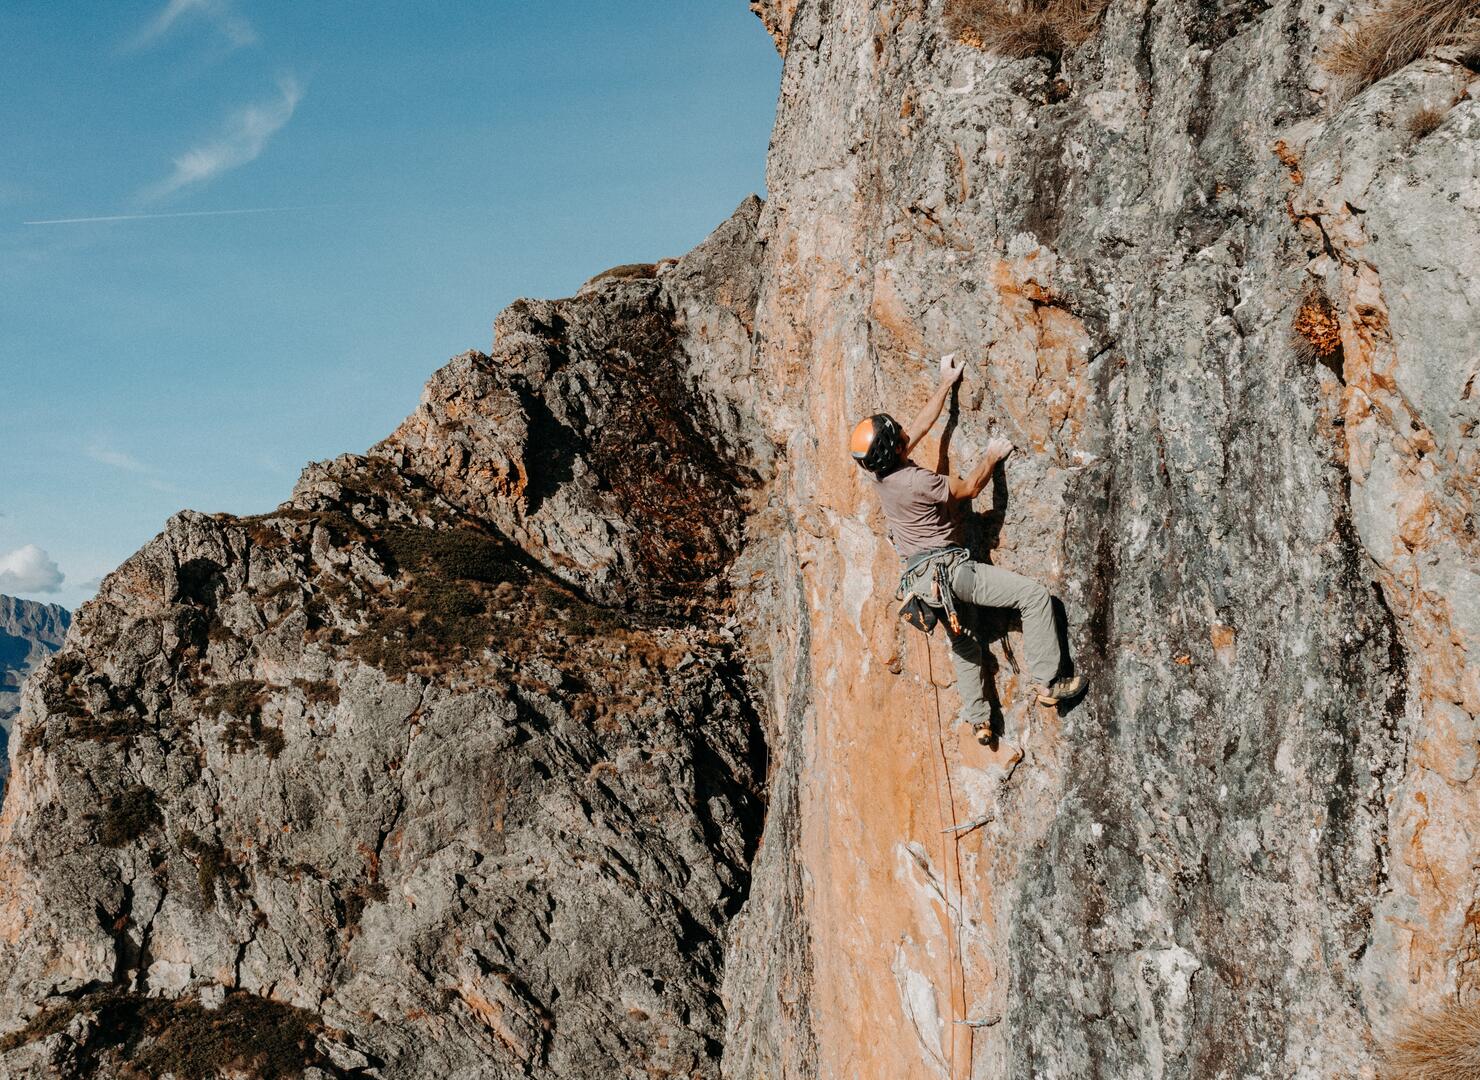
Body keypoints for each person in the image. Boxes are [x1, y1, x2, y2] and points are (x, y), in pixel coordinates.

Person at [850, 354, 1086, 742]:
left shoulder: (882, 477)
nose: (907, 432)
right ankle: (1049, 682)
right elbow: (971, 488)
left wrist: (946, 383)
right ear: (896, 447)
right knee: (1033, 597)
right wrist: (992, 456)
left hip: (923, 584)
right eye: (899, 433)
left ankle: (979, 719)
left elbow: (919, 427)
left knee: (964, 641)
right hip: (952, 574)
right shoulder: (918, 481)